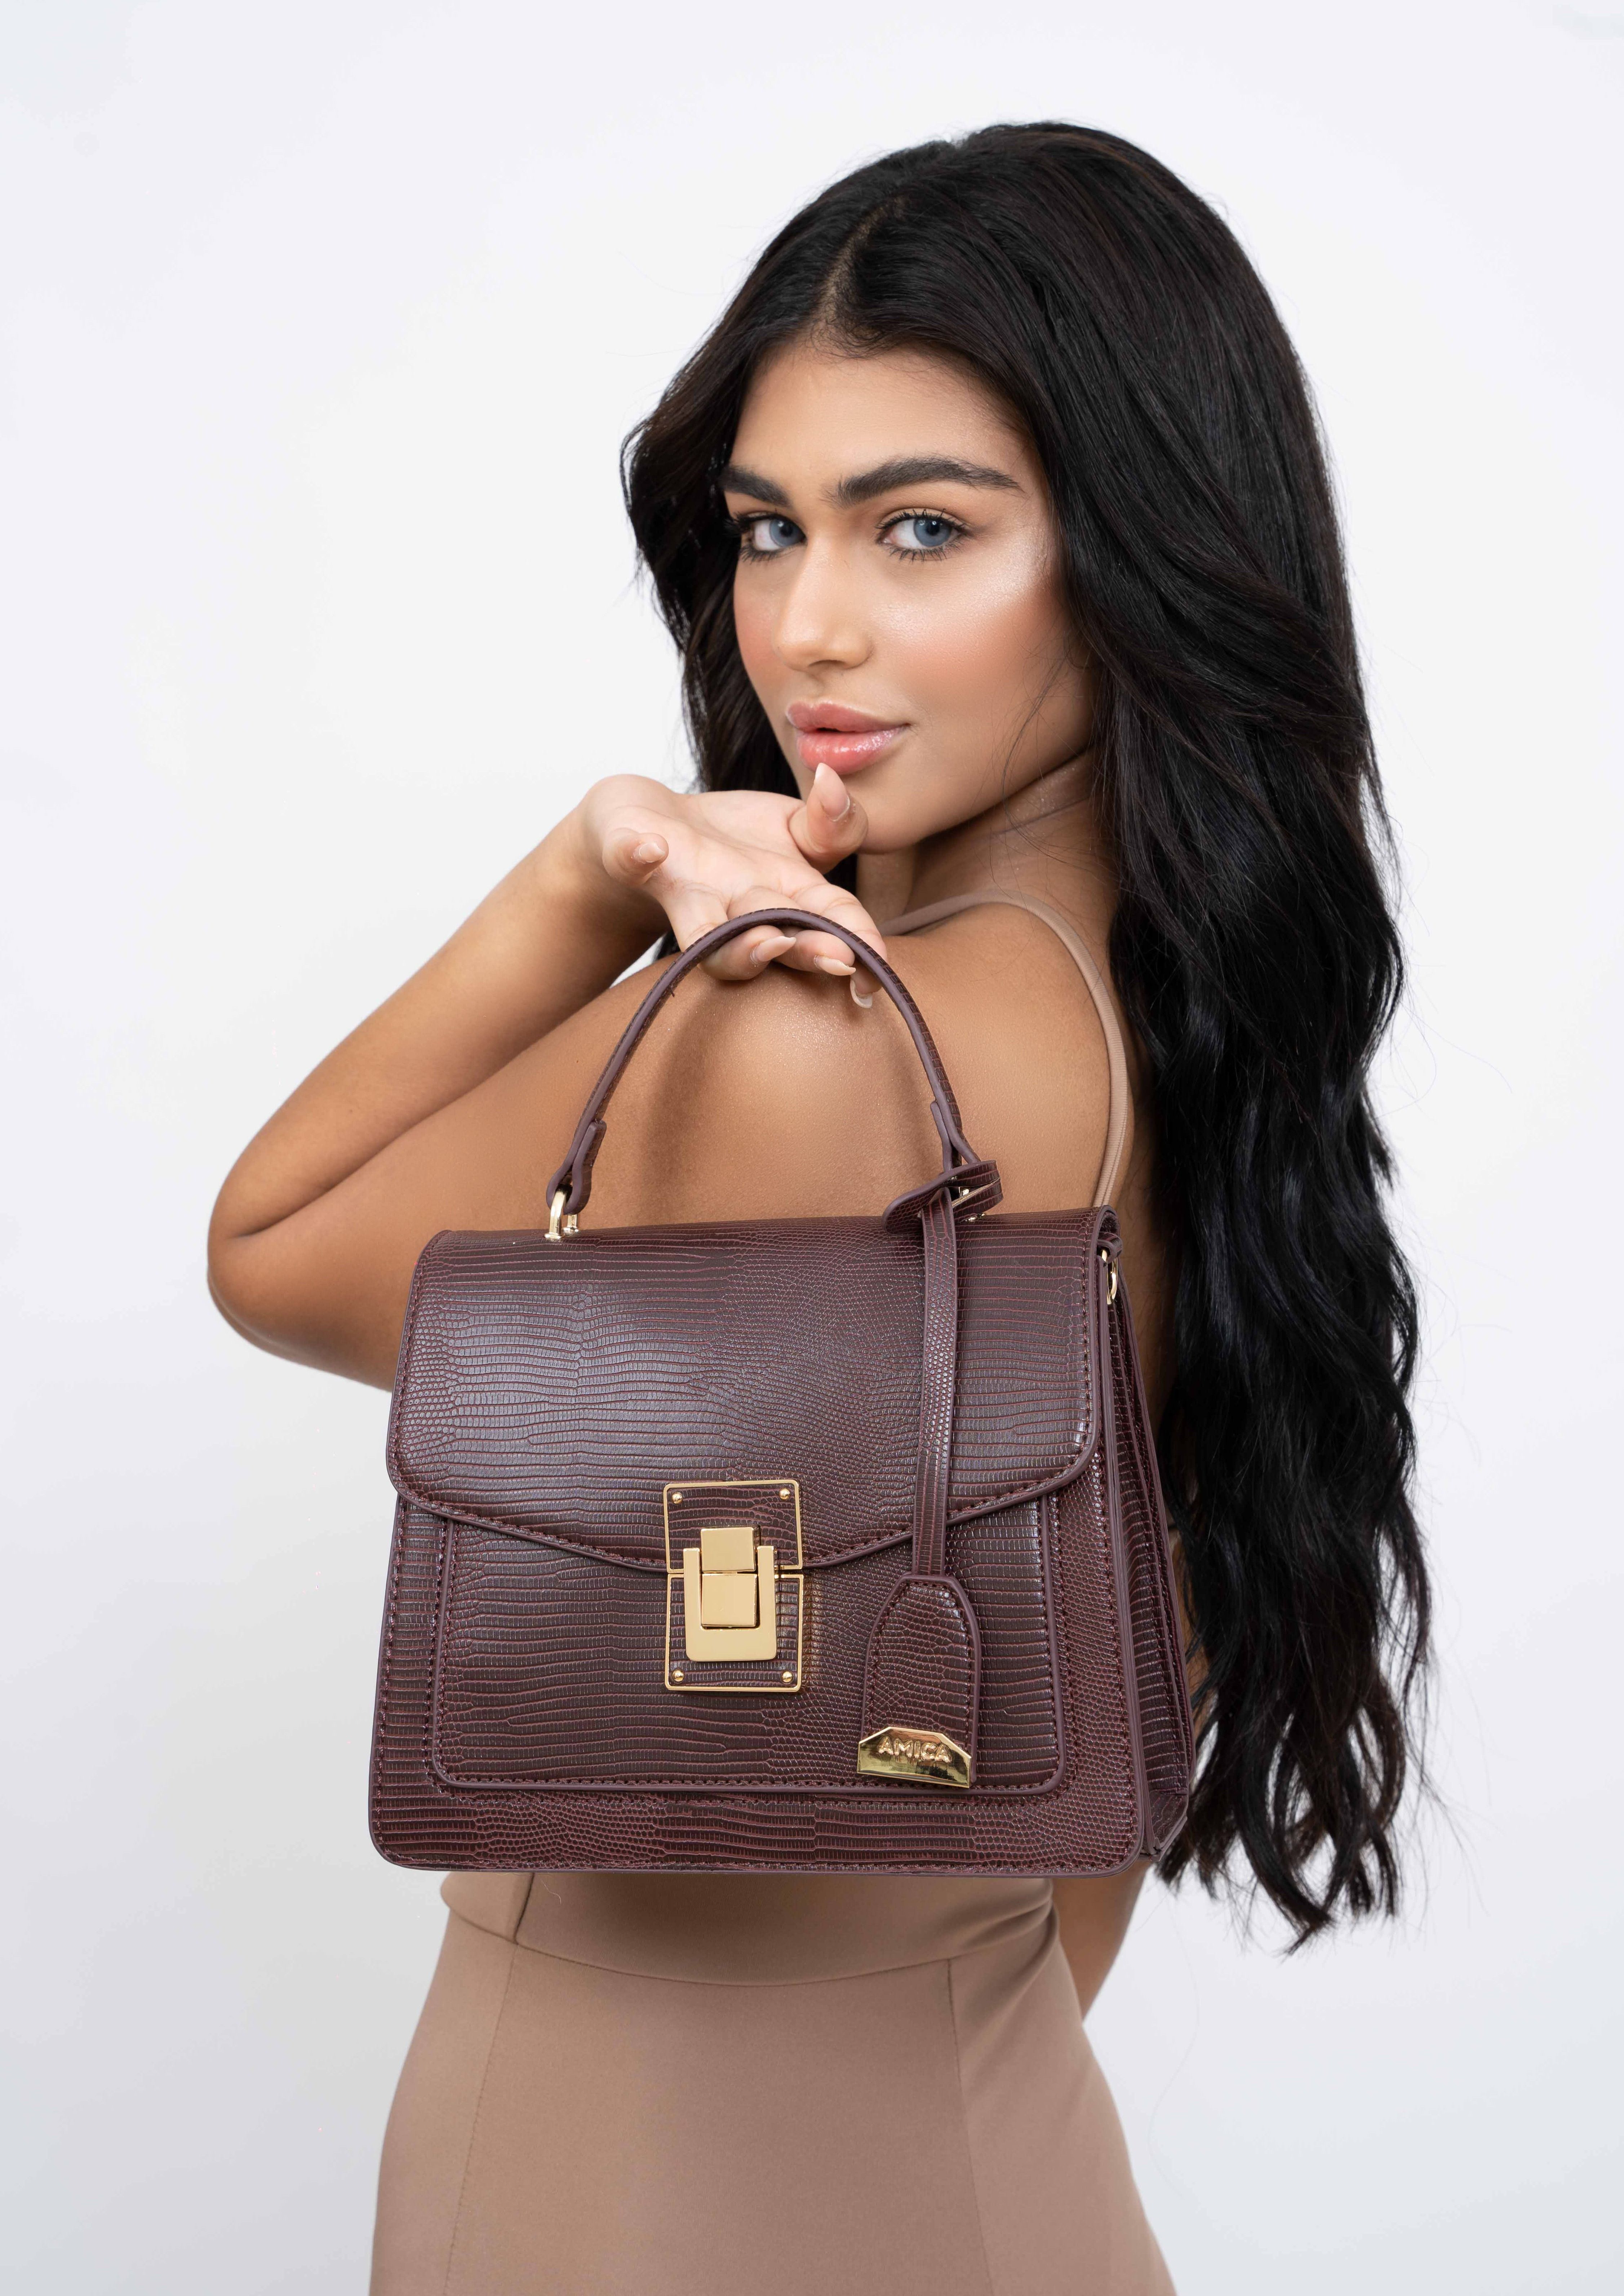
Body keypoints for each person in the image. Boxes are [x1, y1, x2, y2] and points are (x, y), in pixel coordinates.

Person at [209, 122, 1428, 2296]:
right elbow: (1086, 1794)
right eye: (769, 528)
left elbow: (272, 1243)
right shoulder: (1167, 1037)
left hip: (638, 2185)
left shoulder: (811, 1040)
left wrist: (591, 862)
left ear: (1139, 553)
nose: (808, 625)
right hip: (988, 2139)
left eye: (922, 527)